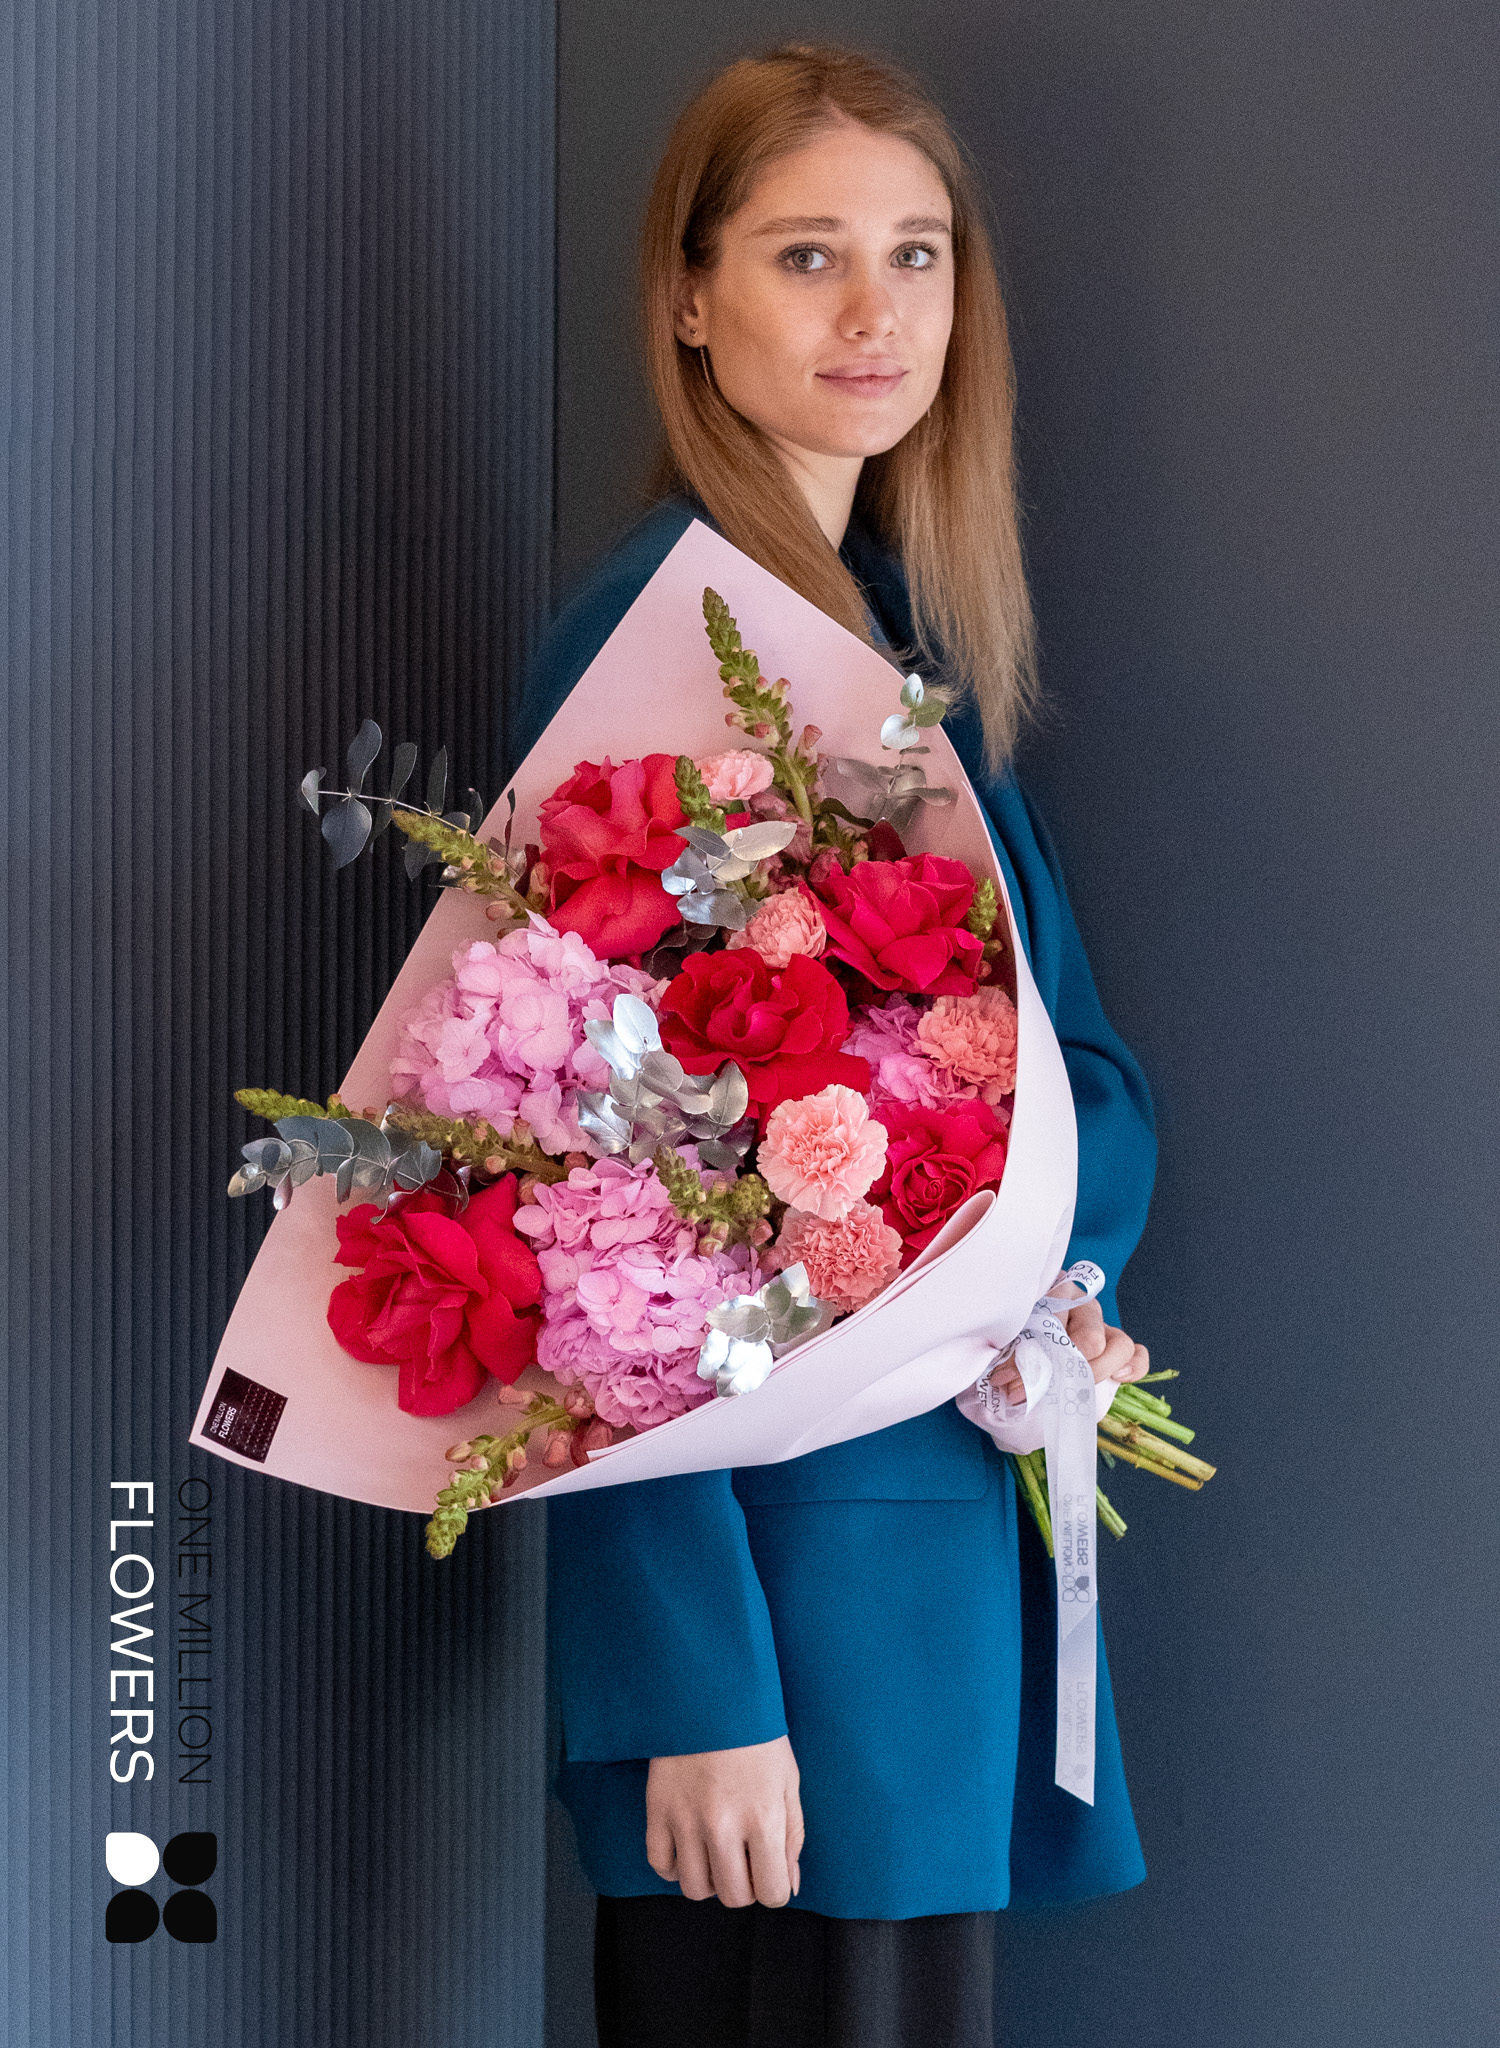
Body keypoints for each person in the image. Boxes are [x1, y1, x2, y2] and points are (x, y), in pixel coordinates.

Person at [509, 44, 1157, 2048]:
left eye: (917, 253)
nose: (879, 312)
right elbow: (572, 1221)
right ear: (691, 298)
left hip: (924, 1593)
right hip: (777, 1658)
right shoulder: (659, 651)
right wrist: (692, 1688)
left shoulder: (894, 646)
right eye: (809, 255)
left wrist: (1051, 1278)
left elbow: (1085, 1091)